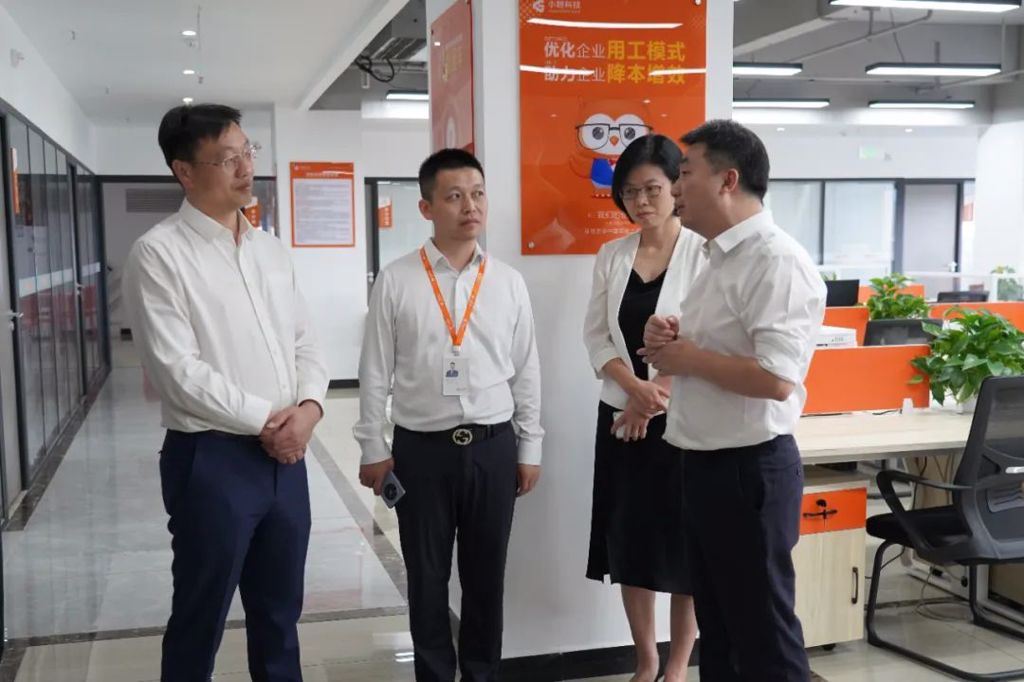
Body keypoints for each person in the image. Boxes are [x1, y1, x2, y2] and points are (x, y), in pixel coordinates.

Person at [122, 104, 329, 682]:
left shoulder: (270, 250)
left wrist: (310, 409)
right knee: (200, 615)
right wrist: (271, 420)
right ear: (184, 172)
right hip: (211, 460)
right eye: (227, 158)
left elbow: (306, 341)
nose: (245, 168)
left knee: (280, 614)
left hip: (286, 461)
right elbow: (177, 371)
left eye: (248, 152)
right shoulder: (159, 254)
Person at [641, 120, 826, 682]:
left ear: (728, 179)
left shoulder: (776, 261)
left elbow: (776, 378)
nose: (675, 188)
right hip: (705, 465)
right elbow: (720, 346)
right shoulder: (717, 256)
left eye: (685, 173)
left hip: (748, 471)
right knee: (720, 636)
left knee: (764, 639)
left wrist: (688, 358)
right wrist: (671, 337)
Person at [354, 148, 544, 682]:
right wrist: (373, 448)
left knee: (486, 579)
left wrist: (530, 446)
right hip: (421, 452)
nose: (470, 206)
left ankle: (482, 674)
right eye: (455, 196)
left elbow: (526, 370)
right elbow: (374, 371)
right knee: (427, 578)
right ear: (427, 207)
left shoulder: (507, 281)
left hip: (493, 447)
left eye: (478, 194)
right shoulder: (396, 280)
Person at [582, 135, 703, 682]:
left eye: (652, 189)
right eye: (630, 192)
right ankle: (645, 660)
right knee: (629, 541)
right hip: (620, 419)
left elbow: (707, 339)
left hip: (685, 421)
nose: (641, 201)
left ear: (676, 187)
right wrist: (633, 389)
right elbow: (595, 336)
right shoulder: (612, 255)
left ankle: (676, 665)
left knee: (683, 548)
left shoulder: (703, 253)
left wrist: (652, 399)